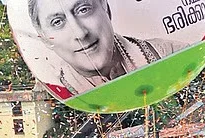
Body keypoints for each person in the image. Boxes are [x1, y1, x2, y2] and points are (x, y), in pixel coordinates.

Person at [26, 0, 182, 95]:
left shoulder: (174, 53)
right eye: (57, 22)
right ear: (44, 38)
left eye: (83, 10)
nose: (80, 33)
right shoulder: (59, 92)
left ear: (105, 7)